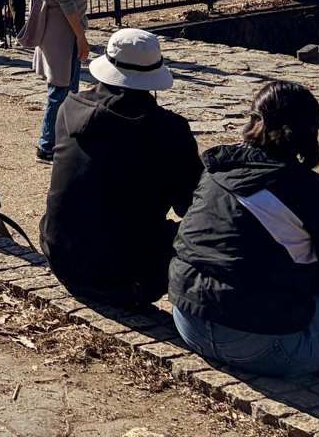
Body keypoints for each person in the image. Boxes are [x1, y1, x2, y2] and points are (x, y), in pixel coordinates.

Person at [170, 80, 319, 405]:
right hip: (256, 344)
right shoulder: (307, 188)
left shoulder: (216, 171)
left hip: (188, 319)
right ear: (310, 130)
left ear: (253, 119)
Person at [40, 28, 202, 308]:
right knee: (207, 225)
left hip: (61, 261)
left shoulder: (69, 107)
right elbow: (192, 205)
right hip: (124, 280)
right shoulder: (169, 129)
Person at [23, 0, 91, 164]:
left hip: (46, 26)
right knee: (62, 87)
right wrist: (80, 35)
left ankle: (57, 141)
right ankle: (48, 144)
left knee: (59, 85)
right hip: (62, 29)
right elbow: (65, 0)